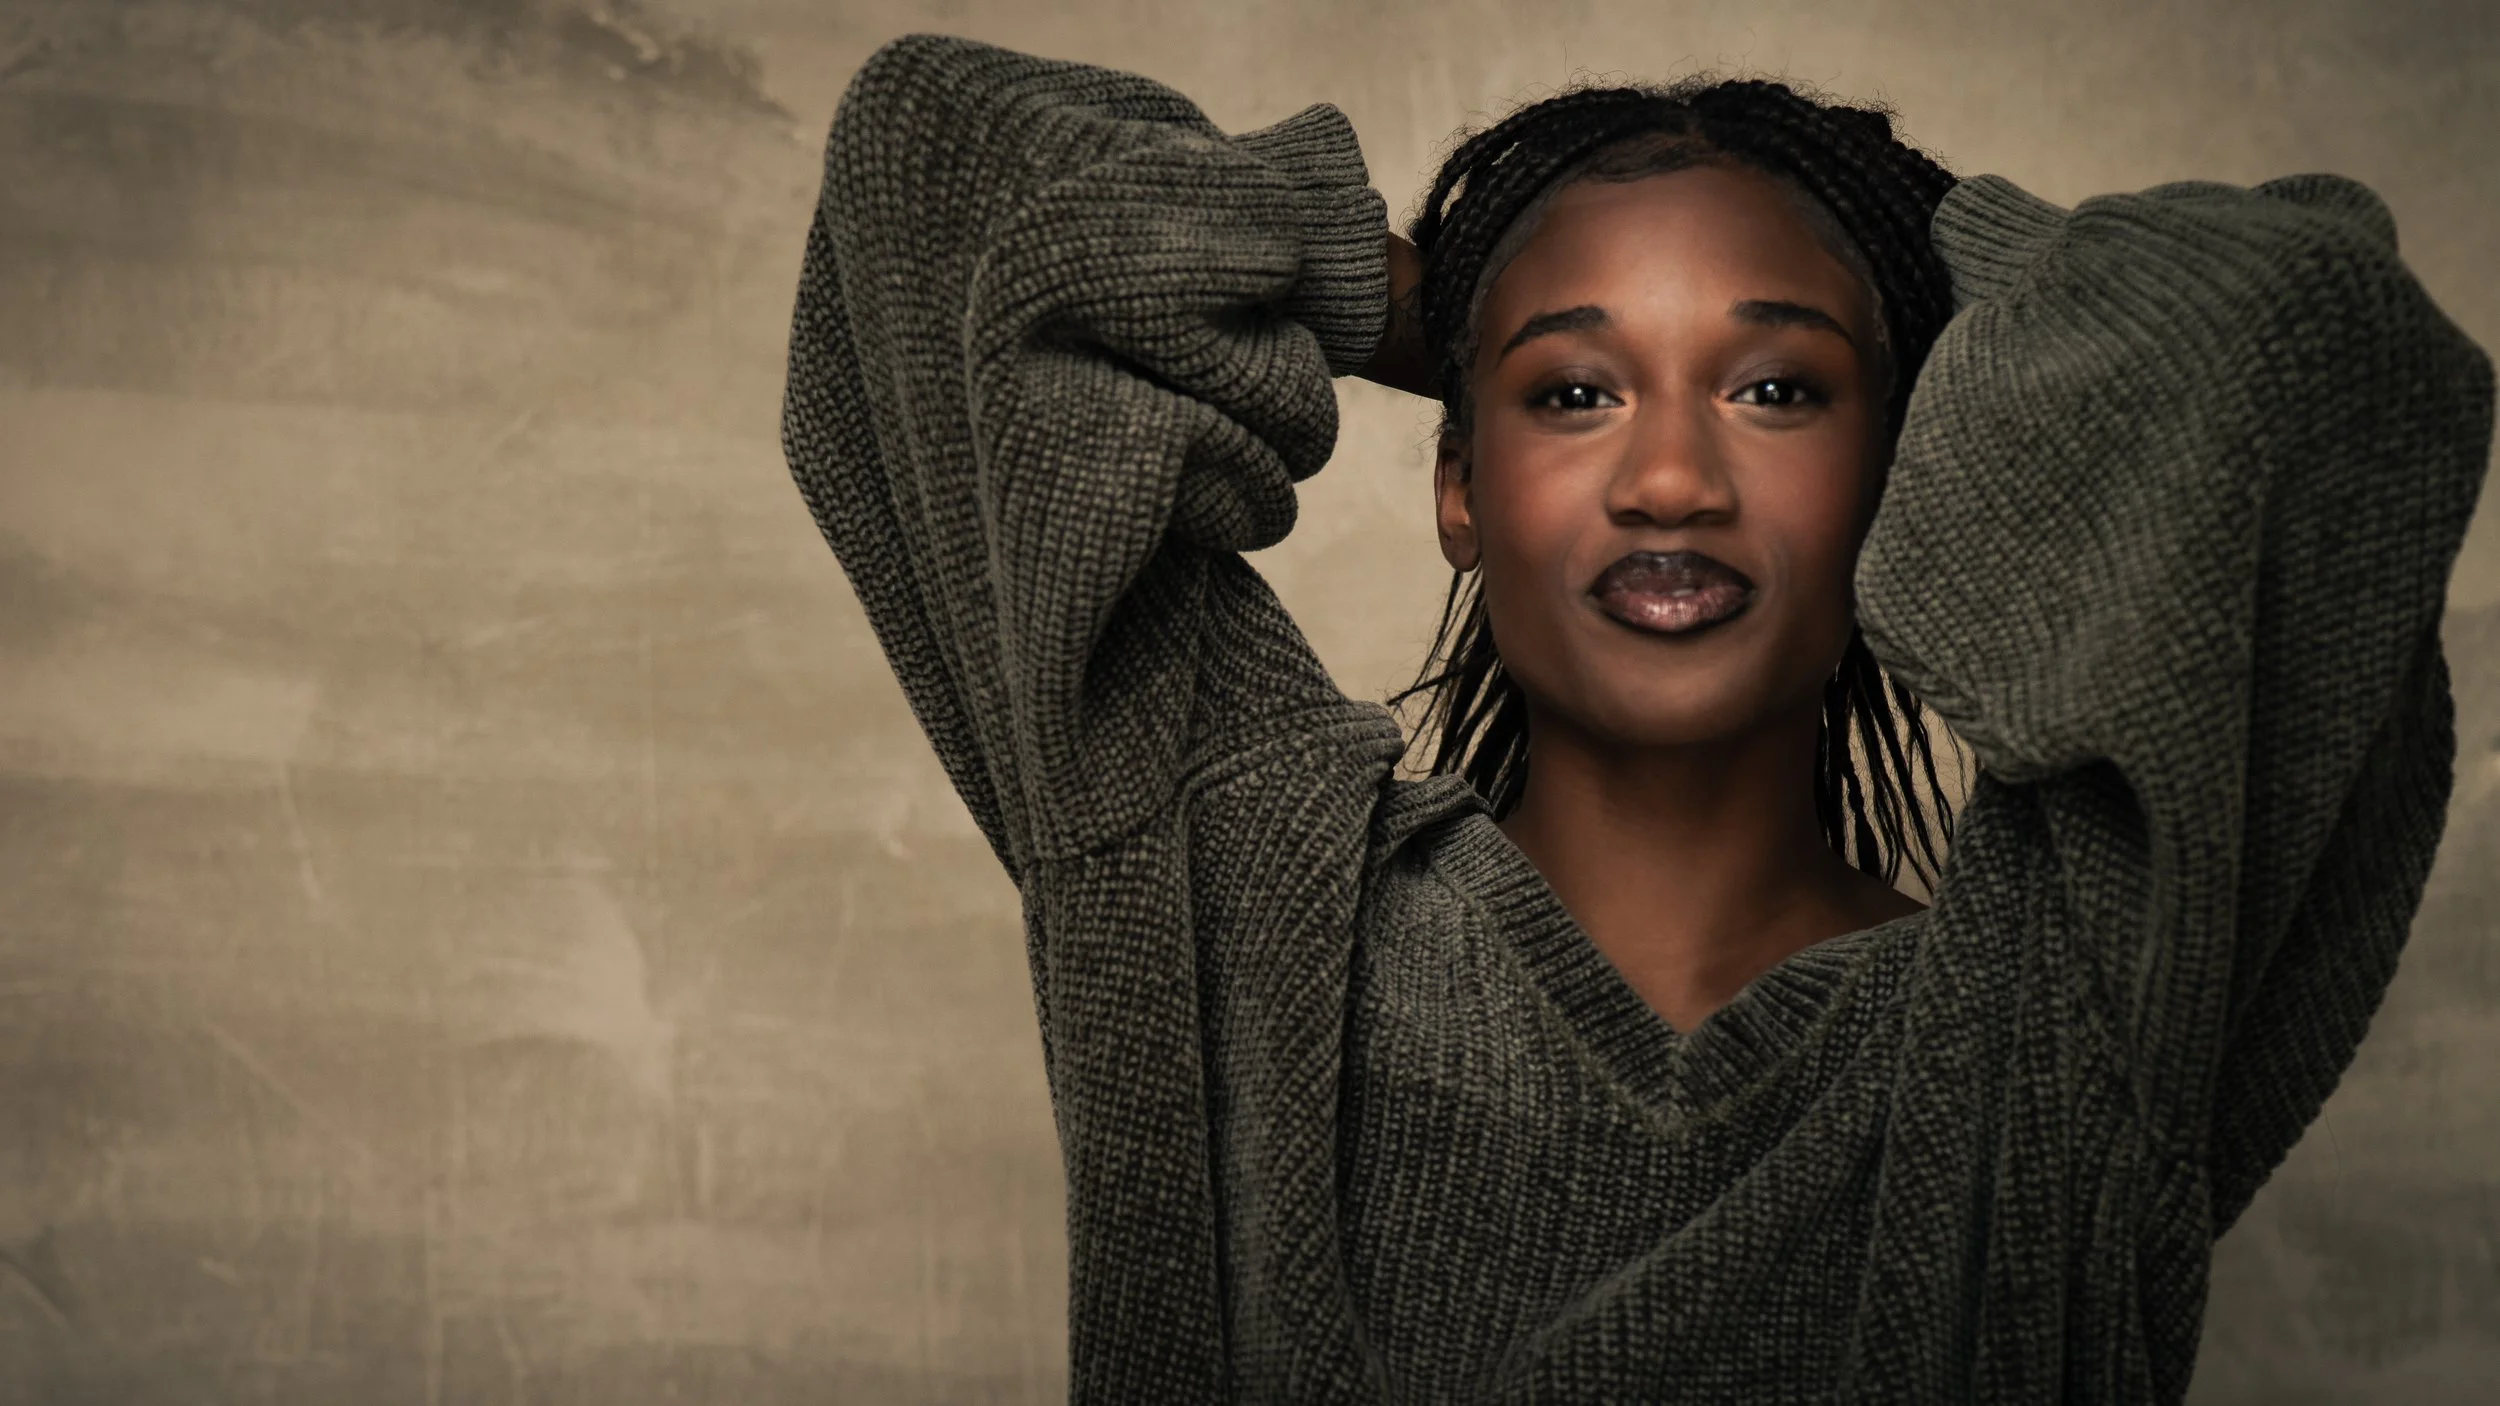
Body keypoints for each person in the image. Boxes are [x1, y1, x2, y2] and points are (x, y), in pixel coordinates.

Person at [780, 32, 2492, 1403]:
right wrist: (1414, 304)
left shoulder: (2058, 1016)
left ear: (1906, 466)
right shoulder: (1233, 891)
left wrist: (1925, 281)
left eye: (1780, 388)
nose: (1672, 476)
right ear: (1462, 479)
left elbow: (2310, 347)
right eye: (1572, 392)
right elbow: (933, 160)